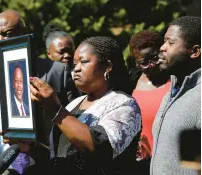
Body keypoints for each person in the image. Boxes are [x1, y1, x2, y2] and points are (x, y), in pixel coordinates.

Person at [0, 10, 79, 175]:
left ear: (25, 33)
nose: (0, 41)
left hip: (46, 168)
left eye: (7, 34)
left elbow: (74, 126)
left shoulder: (57, 72)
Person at [27, 36, 142, 174]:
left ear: (107, 66)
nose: (76, 69)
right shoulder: (74, 104)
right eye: (75, 64)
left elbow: (98, 149)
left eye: (84, 62)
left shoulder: (125, 105)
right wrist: (30, 148)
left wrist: (56, 110)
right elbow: (61, 155)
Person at [150, 16, 201, 175]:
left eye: (171, 43)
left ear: (194, 52)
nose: (162, 48)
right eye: (164, 41)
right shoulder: (171, 93)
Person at [128, 30, 171, 174]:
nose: (151, 65)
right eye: (144, 63)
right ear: (136, 63)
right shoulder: (130, 84)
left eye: (154, 58)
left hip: (169, 162)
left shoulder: (176, 80)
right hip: (140, 164)